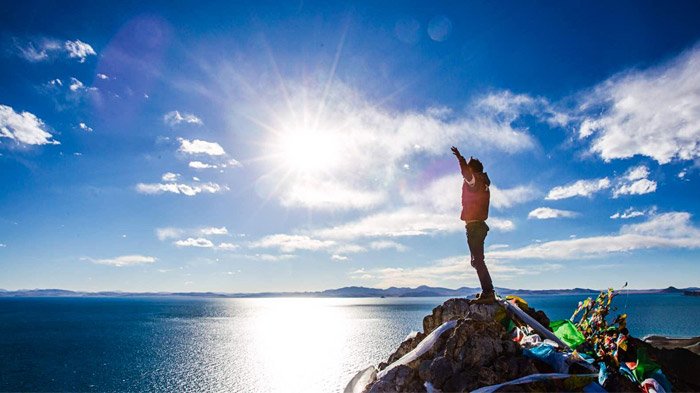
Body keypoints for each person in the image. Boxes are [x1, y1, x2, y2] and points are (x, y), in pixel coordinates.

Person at [451, 146, 495, 304]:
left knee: (477, 260)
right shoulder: (482, 183)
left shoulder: (475, 180)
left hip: (475, 227)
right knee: (477, 260)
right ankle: (488, 291)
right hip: (477, 226)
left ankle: (488, 292)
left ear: (472, 169)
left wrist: (460, 159)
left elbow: (466, 174)